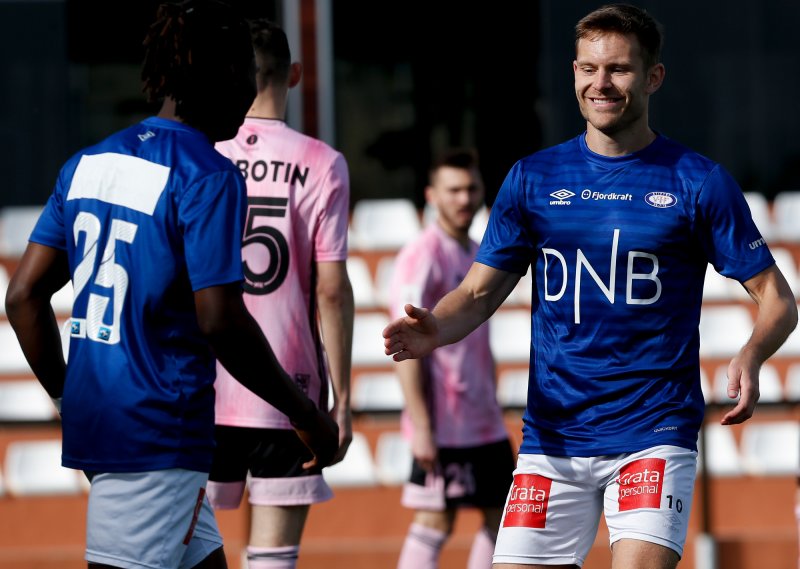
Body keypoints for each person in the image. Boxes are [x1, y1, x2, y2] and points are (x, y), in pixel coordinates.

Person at [383, 4, 798, 569]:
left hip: (654, 430)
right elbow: (477, 295)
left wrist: (753, 353)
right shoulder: (532, 178)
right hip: (551, 441)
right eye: (586, 69)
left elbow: (778, 298)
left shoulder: (698, 181)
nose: (600, 84)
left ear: (653, 77)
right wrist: (437, 326)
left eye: (619, 70)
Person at [3, 2, 338, 569]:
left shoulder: (88, 162)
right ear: (210, 75)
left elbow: (23, 298)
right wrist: (305, 414)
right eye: (241, 74)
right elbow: (221, 322)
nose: (248, 91)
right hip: (159, 430)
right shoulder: (208, 174)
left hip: (119, 427)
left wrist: (69, 400)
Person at [204, 18, 354, 569]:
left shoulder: (203, 151)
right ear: (293, 74)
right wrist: (343, 398)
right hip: (289, 387)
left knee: (185, 547)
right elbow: (332, 290)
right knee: (273, 558)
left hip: (207, 384)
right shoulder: (321, 160)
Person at [389, 149, 516, 569]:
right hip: (445, 423)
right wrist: (422, 425)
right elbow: (404, 344)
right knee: (434, 520)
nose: (464, 198)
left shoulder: (480, 253)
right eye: (453, 190)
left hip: (483, 419)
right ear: (432, 195)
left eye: (471, 188)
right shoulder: (422, 254)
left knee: (503, 518)